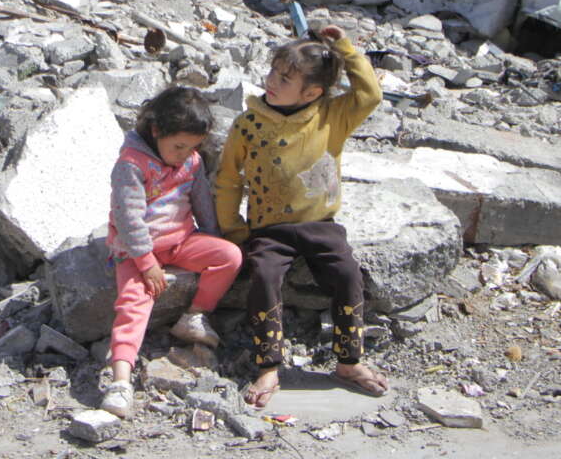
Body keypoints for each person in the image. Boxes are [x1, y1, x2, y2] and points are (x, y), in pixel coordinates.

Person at [214, 25, 390, 408]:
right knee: (264, 277)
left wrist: (344, 47)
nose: (272, 82)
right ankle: (269, 365)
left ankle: (349, 361)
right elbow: (228, 180)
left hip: (320, 224)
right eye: (274, 73)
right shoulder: (248, 124)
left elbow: (371, 93)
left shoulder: (333, 115)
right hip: (270, 229)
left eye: (285, 79)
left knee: (347, 275)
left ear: (312, 92)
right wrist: (232, 228)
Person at [101, 86, 243, 418]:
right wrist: (146, 263)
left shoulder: (190, 161)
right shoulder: (131, 164)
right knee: (133, 306)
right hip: (136, 251)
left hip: (180, 240)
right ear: (156, 130)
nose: (184, 154)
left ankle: (193, 315)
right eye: (178, 146)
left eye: (192, 147)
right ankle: (120, 379)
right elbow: (127, 217)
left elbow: (201, 201)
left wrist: (211, 236)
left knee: (230, 256)